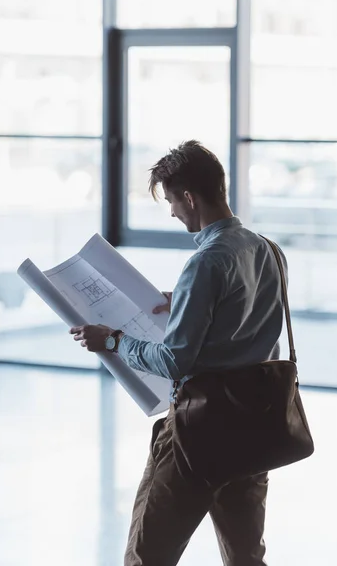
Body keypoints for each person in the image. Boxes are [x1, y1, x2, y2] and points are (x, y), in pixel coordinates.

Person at [70, 140, 287, 566]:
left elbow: (175, 361)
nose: (171, 211)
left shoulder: (205, 263)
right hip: (255, 427)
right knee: (246, 557)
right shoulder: (266, 249)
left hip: (200, 433)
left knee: (148, 556)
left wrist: (113, 340)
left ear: (189, 197)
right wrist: (186, 302)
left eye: (170, 200)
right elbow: (252, 325)